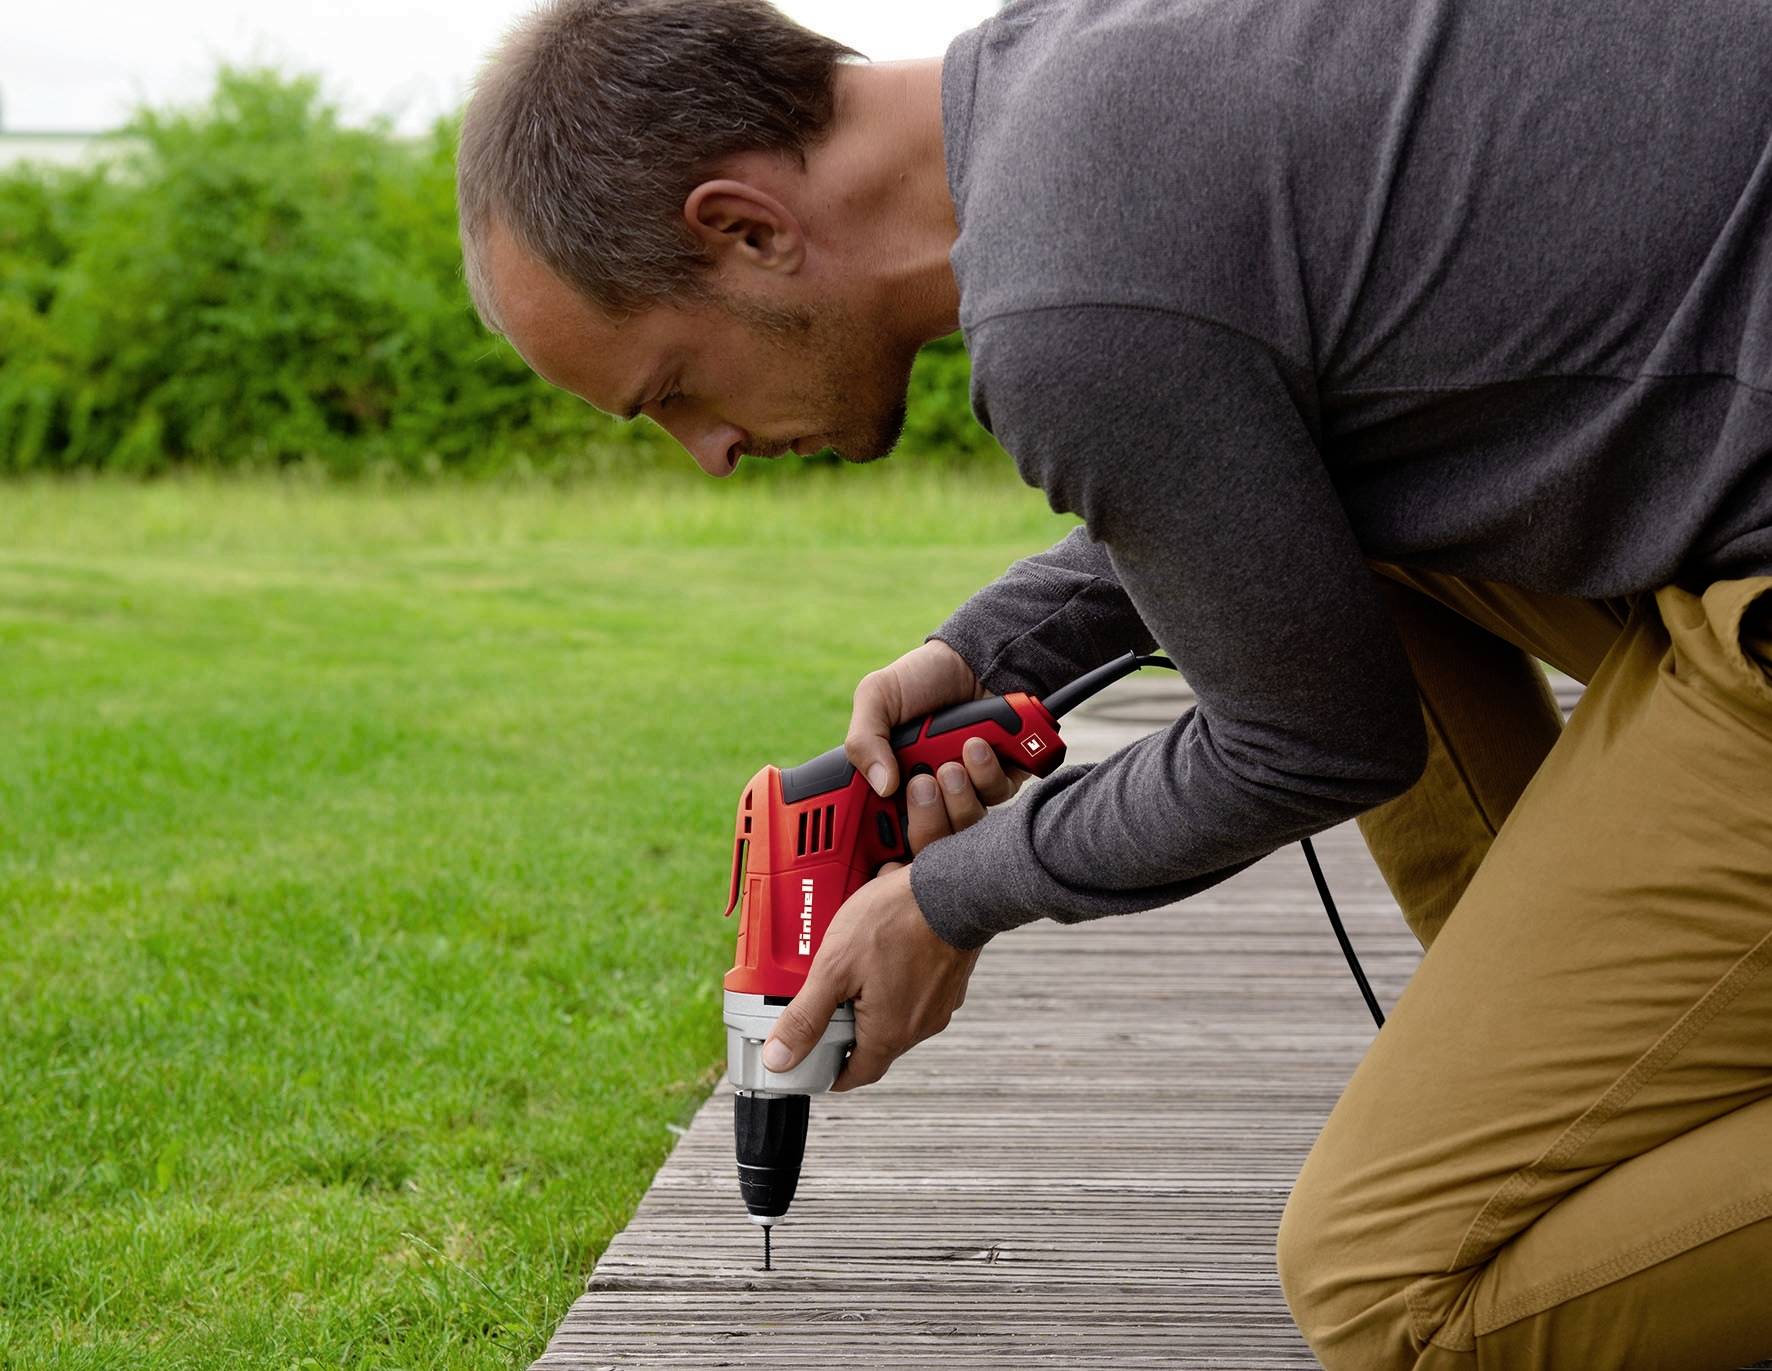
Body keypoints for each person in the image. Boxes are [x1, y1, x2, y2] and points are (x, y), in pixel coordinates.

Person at [455, 1, 1772, 1365]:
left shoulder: (1066, 299)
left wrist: (945, 899)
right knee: (1358, 545)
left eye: (673, 389)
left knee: (1400, 1286)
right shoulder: (1089, 76)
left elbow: (1310, 743)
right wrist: (992, 652)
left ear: (746, 228)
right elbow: (1254, 458)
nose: (708, 452)